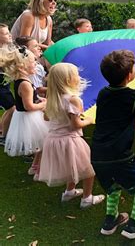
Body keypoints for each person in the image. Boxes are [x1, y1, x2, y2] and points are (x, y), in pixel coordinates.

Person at [91, 50, 135, 239]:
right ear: (129, 75)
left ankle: (111, 220)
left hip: (97, 154)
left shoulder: (103, 93)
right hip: (120, 155)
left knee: (112, 185)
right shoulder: (134, 95)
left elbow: (108, 115)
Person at [39, 63, 105, 208]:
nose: (79, 77)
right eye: (76, 74)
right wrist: (88, 120)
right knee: (88, 170)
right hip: (70, 139)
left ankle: (70, 192)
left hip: (53, 139)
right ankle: (87, 198)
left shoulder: (53, 98)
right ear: (69, 80)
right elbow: (76, 124)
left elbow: (46, 118)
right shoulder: (73, 99)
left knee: (71, 166)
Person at [0, 45, 48, 180]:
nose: (36, 64)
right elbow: (29, 106)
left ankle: (35, 166)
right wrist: (43, 104)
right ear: (23, 66)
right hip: (29, 117)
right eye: (33, 63)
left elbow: (29, 99)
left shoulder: (22, 80)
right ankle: (38, 171)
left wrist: (38, 98)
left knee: (42, 143)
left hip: (26, 116)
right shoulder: (25, 84)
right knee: (43, 141)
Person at [0, 24, 15, 146]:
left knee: (9, 108)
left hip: (4, 84)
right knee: (12, 108)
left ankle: (2, 131)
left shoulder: (7, 48)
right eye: (5, 33)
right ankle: (4, 136)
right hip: (0, 86)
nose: (9, 34)